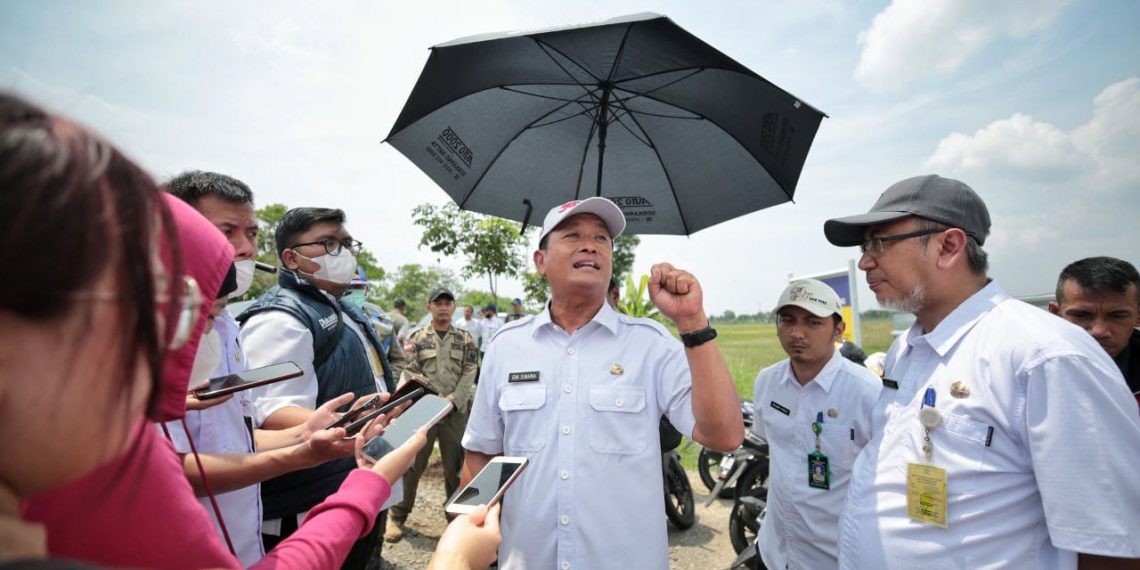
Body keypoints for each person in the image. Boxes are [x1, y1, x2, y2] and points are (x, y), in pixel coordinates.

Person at [822, 174, 1140, 568]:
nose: (865, 261)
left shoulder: (1045, 356)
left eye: (879, 243)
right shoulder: (907, 347)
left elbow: (1110, 541)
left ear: (948, 247)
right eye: (864, 247)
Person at [461, 197, 744, 569]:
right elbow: (482, 453)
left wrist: (692, 322)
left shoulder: (651, 345)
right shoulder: (506, 347)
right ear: (540, 261)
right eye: (572, 235)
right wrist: (466, 536)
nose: (590, 245)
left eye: (601, 238)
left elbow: (725, 436)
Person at [238, 207, 397, 568]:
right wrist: (354, 422)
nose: (342, 254)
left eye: (346, 243)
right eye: (328, 243)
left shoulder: (344, 310)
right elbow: (272, 412)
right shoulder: (279, 319)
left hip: (350, 485)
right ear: (291, 259)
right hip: (306, 504)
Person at [750, 279, 880, 569]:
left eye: (813, 322)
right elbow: (768, 440)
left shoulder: (867, 393)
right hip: (774, 553)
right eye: (787, 320)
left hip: (834, 558)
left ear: (838, 330)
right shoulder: (768, 382)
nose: (797, 333)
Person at [386, 288, 479, 542]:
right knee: (411, 465)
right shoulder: (417, 337)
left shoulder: (465, 339)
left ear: (454, 307)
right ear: (430, 307)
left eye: (448, 303)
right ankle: (397, 517)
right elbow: (410, 369)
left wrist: (454, 400)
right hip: (424, 411)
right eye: (438, 303)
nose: (443, 307)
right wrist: (434, 399)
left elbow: (470, 370)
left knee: (456, 469)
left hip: (455, 414)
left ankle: (456, 521)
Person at [1049, 256, 1140, 393]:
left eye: (1117, 316)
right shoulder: (1028, 369)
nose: (1099, 331)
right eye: (1081, 315)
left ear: (1138, 317)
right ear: (1056, 314)